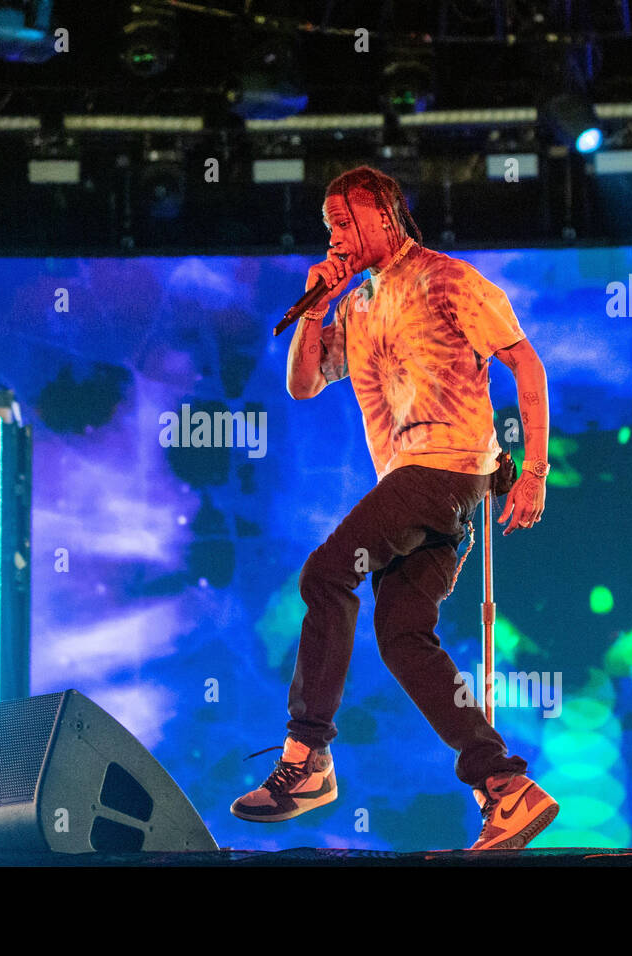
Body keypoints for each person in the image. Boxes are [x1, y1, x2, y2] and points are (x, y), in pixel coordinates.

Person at [231, 166, 558, 850]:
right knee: (403, 634)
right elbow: (301, 383)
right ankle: (505, 785)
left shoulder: (449, 279)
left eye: (345, 222)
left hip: (445, 472)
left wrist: (533, 472)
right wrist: (318, 304)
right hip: (430, 495)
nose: (336, 236)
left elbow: (527, 366)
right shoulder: (356, 303)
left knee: (326, 574)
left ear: (384, 214)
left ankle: (307, 758)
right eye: (328, 227)